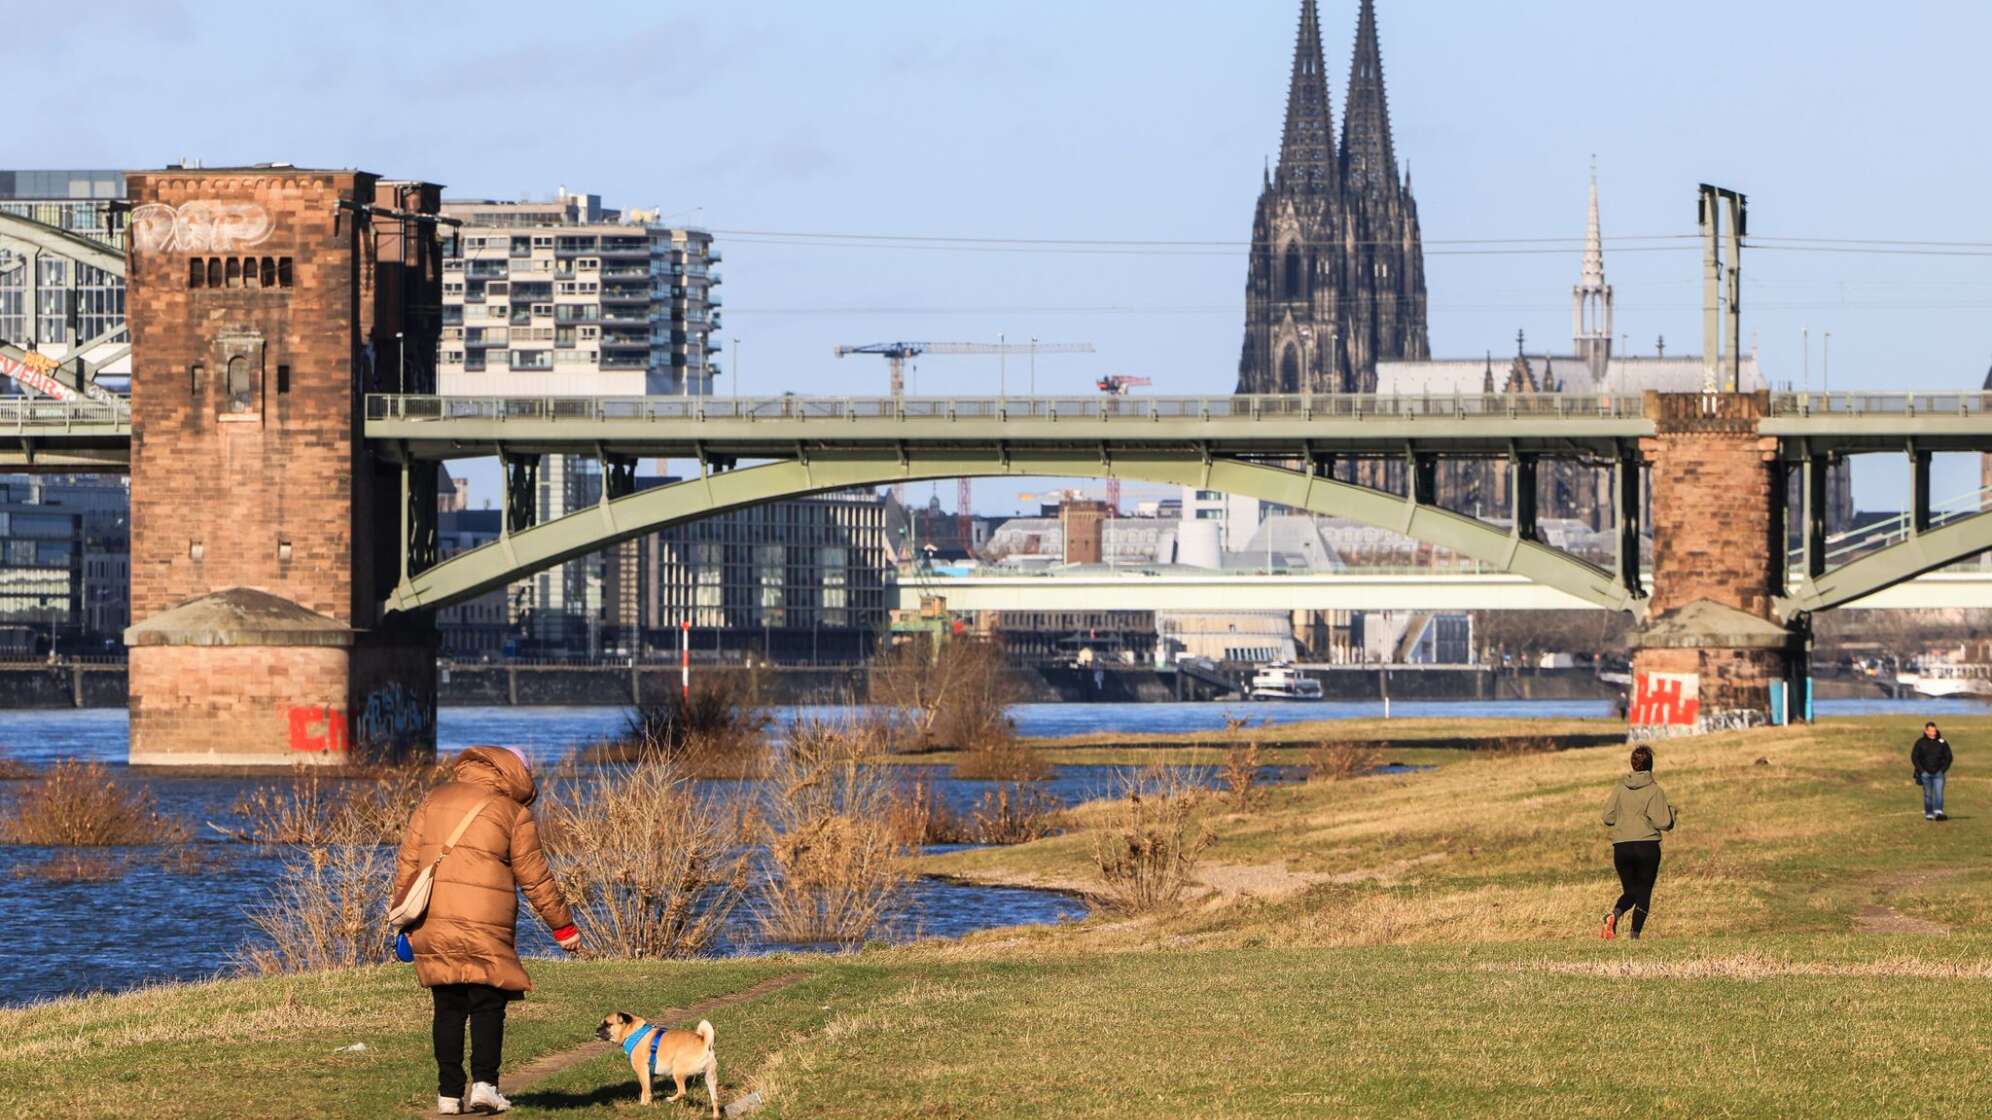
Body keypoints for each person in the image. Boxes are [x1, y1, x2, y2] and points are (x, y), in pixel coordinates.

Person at [392, 745, 580, 1116]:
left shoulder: (434, 799)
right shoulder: (513, 812)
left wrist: (402, 917)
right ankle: (485, 1086)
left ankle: (448, 1095)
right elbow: (535, 877)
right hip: (485, 923)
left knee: (446, 1007)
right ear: (516, 774)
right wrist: (563, 927)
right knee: (486, 1004)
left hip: (434, 919)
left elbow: (408, 864)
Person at [1600, 744, 1675, 940]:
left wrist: (1624, 819)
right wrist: (1672, 811)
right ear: (1651, 765)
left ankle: (1614, 915)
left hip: (1622, 847)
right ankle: (1634, 936)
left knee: (1631, 891)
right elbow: (1664, 822)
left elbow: (1607, 817)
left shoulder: (1619, 788)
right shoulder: (1654, 790)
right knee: (1643, 892)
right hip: (1646, 847)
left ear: (1632, 764)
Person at [1911, 721, 1953, 821]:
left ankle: (1939, 812)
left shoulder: (1942, 742)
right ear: (1926, 731)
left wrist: (1943, 770)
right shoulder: (1920, 742)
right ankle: (1929, 814)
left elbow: (1949, 757)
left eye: (1934, 730)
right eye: (1931, 731)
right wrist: (1921, 771)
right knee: (1928, 794)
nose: (1933, 732)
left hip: (1939, 773)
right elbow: (1914, 757)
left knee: (1939, 793)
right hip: (1925, 773)